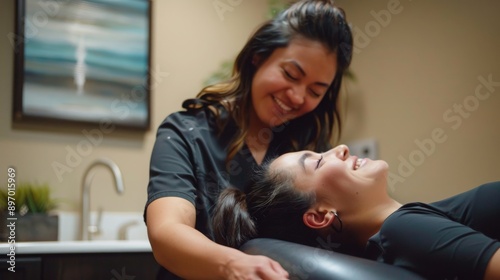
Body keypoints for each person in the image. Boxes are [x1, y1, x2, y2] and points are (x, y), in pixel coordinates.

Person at [144, 0, 354, 278]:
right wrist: (233, 265)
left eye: (315, 91)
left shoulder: (311, 150)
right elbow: (166, 233)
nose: (297, 97)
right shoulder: (185, 133)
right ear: (257, 57)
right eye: (290, 74)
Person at [213, 144, 500, 280]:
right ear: (320, 214)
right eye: (317, 163)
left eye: (320, 151)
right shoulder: (402, 230)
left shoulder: (408, 224)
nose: (341, 148)